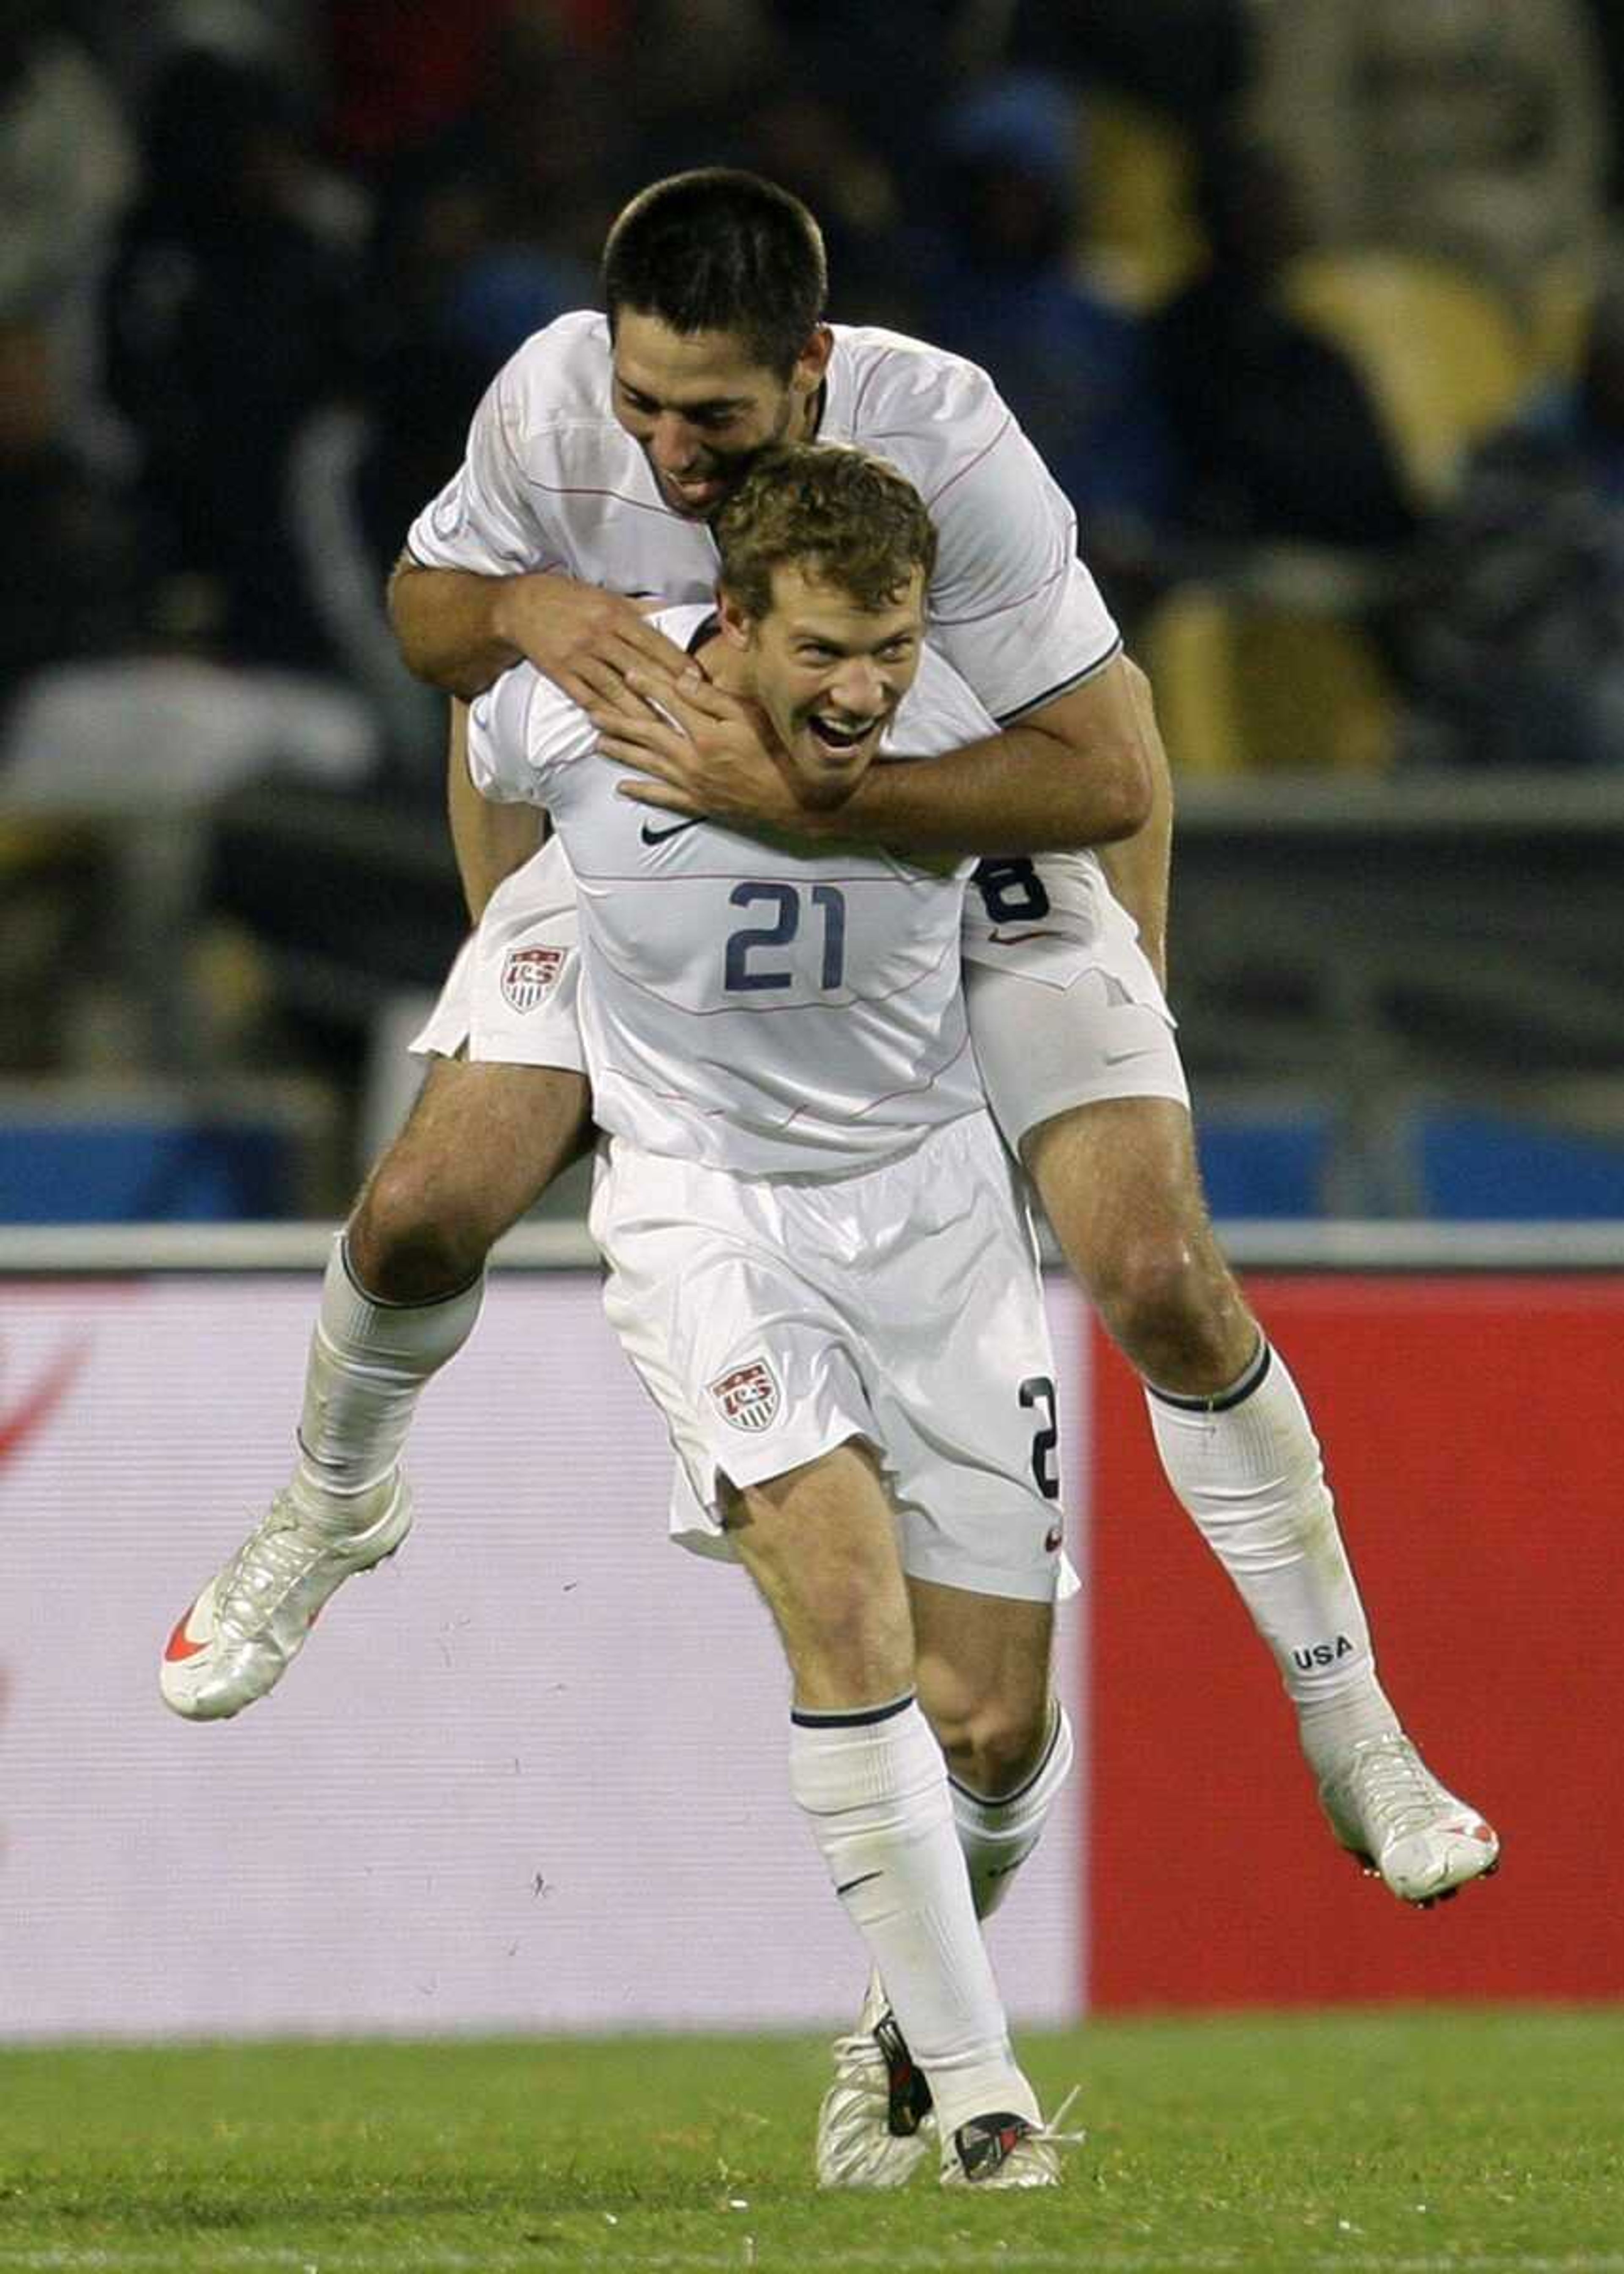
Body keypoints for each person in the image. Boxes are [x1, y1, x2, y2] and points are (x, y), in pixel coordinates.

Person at [161, 173, 1494, 1960]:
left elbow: (1108, 767)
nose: (661, 449)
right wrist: (528, 614)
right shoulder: (558, 400)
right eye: (639, 404)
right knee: (417, 1211)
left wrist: (873, 832)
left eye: (708, 418)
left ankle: (1359, 1733)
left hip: (956, 836)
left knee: (1162, 1271)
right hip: (664, 854)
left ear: (810, 368)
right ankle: (331, 1509)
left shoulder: (952, 438)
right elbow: (435, 625)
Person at [470, 441, 1081, 2183]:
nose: (864, 689)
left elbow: (1112, 776)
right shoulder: (586, 704)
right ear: (730, 617)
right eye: (823, 650)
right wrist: (507, 942)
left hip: (943, 1212)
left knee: (993, 1724)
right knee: (842, 1593)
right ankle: (984, 2101)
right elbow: (474, 732)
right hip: (706, 1206)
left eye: (887, 647)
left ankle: (906, 2013)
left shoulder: (969, 711)